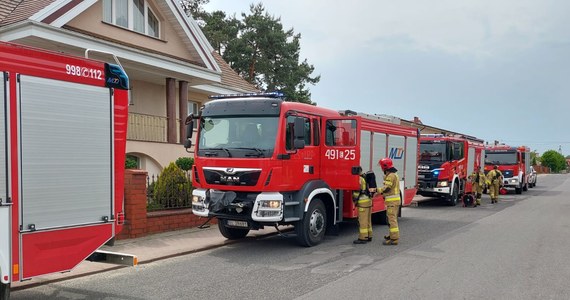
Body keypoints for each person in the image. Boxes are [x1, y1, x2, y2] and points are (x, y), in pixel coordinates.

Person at [377, 158, 401, 245]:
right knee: (391, 219)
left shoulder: (391, 175)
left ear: (385, 167)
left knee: (392, 220)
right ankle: (392, 235)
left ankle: (394, 239)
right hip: (393, 202)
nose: (381, 168)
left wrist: (377, 190)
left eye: (381, 166)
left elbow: (387, 188)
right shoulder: (393, 174)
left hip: (392, 202)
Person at [353, 167, 376, 244]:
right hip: (369, 201)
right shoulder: (365, 177)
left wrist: (354, 200)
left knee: (362, 221)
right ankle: (369, 236)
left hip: (362, 202)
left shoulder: (359, 179)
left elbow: (357, 191)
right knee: (368, 220)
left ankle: (363, 238)